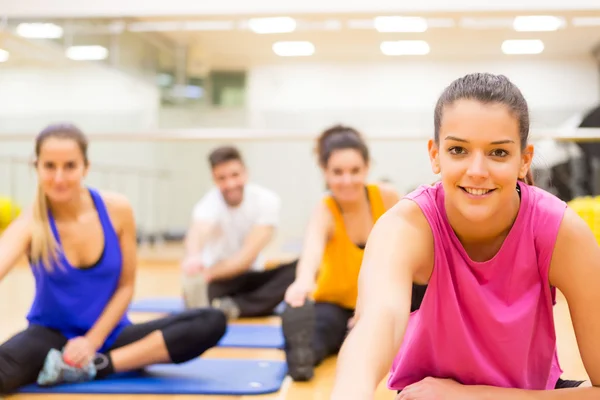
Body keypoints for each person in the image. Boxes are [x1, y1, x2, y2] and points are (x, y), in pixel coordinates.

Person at [330, 73, 600, 399]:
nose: (476, 170)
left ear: (523, 160)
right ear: (435, 155)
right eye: (458, 150)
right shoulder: (405, 227)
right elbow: (378, 323)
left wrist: (471, 395)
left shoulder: (561, 231)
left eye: (498, 153)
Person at [0, 124, 227, 394]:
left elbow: (125, 286)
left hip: (111, 336)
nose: (59, 177)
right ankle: (78, 365)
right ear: (36, 167)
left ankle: (95, 367)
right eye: (50, 166)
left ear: (86, 166)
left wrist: (91, 344)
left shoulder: (117, 210)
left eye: (70, 166)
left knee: (210, 321)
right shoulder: (30, 222)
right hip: (48, 336)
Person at [281, 124, 402, 382]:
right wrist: (303, 282)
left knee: (397, 321)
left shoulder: (387, 197)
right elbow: (311, 251)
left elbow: (412, 244)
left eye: (355, 171)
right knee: (320, 331)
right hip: (334, 304)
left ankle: (365, 337)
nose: (347, 181)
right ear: (325, 173)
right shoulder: (325, 209)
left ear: (368, 168)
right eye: (337, 172)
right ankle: (303, 354)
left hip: (379, 302)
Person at [181, 145, 296, 320]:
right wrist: (193, 257)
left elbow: (245, 258)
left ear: (246, 173)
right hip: (218, 280)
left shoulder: (267, 201)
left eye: (235, 175)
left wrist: (207, 273)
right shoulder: (208, 204)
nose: (230, 184)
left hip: (249, 275)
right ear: (214, 179)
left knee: (297, 270)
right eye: (222, 178)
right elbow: (198, 231)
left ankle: (235, 307)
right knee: (204, 291)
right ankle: (241, 306)